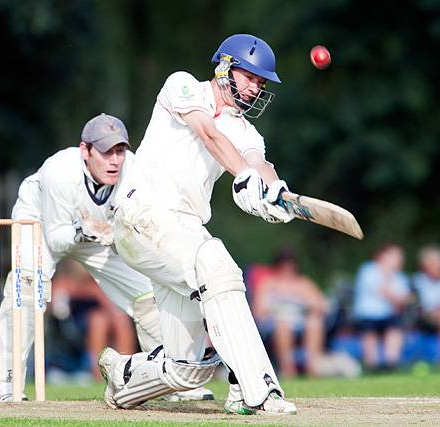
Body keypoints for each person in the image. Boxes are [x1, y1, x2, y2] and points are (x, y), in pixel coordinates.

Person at [98, 34, 298, 415]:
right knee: (217, 263)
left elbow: (258, 163)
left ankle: (123, 375)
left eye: (261, 83)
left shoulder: (246, 131)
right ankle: (256, 391)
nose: (256, 89)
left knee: (187, 368)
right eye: (251, 78)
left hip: (181, 234)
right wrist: (241, 173)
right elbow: (209, 134)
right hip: (143, 215)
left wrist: (276, 191)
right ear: (224, 68)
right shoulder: (183, 85)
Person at [0, 113, 204, 401]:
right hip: (42, 224)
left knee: (150, 294)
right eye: (106, 152)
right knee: (25, 291)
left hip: (99, 233)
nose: (114, 160)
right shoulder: (60, 170)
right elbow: (56, 240)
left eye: (120, 151)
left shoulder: (133, 170)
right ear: (85, 151)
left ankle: (170, 382)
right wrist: (81, 229)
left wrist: (118, 235)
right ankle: (4, 385)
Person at [50, 260, 137, 380]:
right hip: (75, 327)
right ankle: (99, 375)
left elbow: (112, 309)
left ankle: (127, 371)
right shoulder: (62, 284)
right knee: (98, 320)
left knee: (121, 320)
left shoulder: (99, 285)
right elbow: (57, 311)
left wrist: (95, 293)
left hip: (106, 322)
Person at [252, 249, 329, 377]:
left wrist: (305, 298)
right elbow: (258, 311)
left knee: (314, 322)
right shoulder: (267, 283)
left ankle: (313, 365)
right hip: (274, 322)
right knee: (283, 324)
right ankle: (288, 368)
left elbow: (322, 306)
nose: (287, 270)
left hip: (300, 321)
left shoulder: (303, 283)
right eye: (283, 266)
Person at [352, 244, 411, 371]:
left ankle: (391, 365)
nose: (400, 259)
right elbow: (388, 294)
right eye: (396, 256)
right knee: (369, 333)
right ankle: (372, 367)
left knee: (395, 329)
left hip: (389, 315)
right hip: (367, 315)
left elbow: (403, 300)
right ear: (383, 256)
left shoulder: (400, 277)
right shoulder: (368, 270)